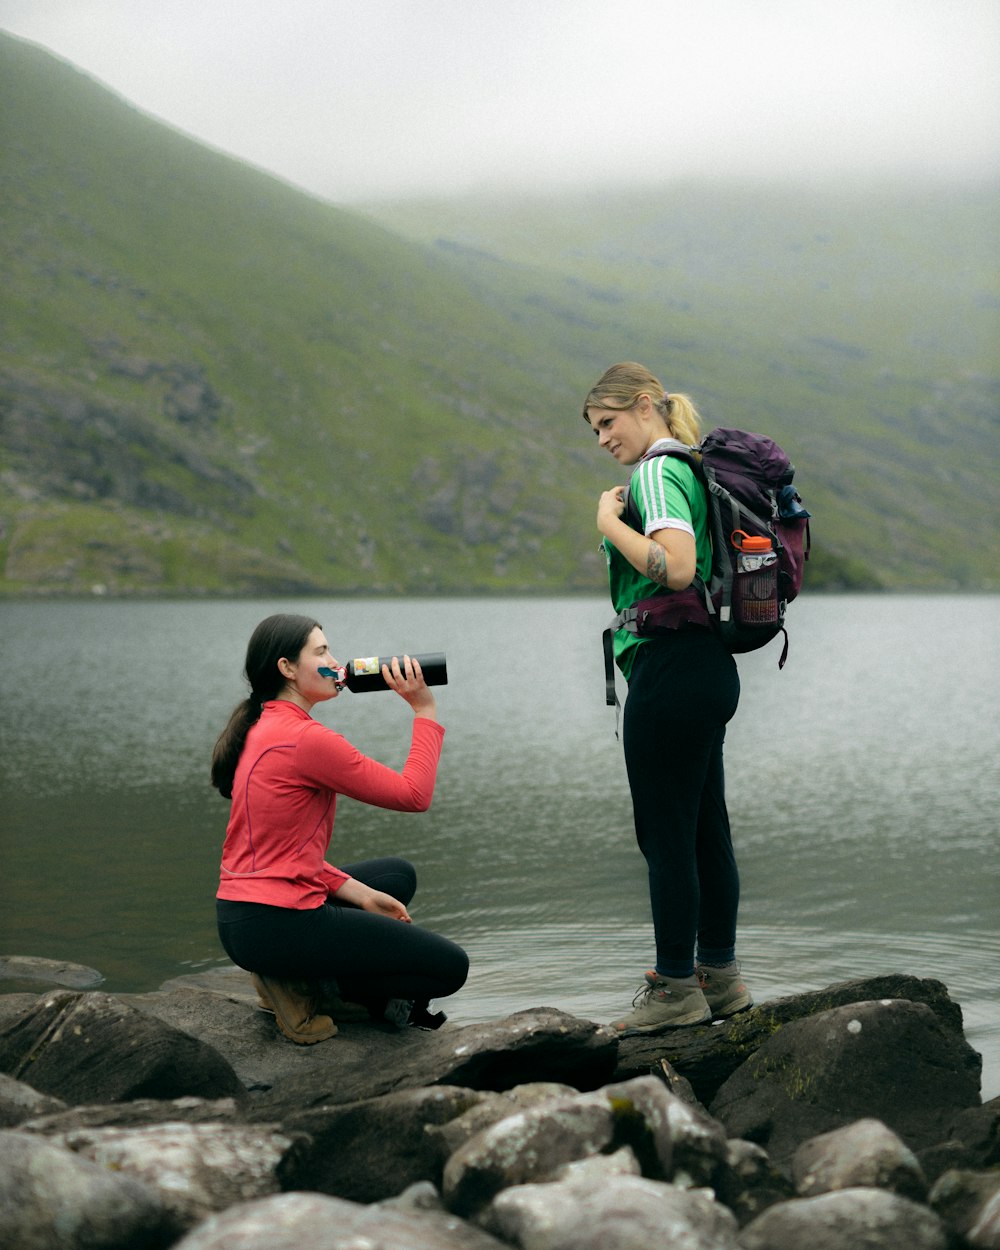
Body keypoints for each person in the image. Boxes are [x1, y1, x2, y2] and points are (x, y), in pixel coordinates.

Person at [583, 361, 752, 1036]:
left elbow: (675, 566)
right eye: (595, 430)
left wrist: (606, 520)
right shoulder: (689, 467)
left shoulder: (655, 470)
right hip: (705, 670)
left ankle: (676, 987)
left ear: (646, 406)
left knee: (666, 836)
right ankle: (722, 978)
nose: (601, 440)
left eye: (607, 422)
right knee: (706, 828)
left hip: (670, 671)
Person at [210, 613, 469, 1044]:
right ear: (287, 668)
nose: (336, 660)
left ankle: (289, 973)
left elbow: (283, 854)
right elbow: (413, 795)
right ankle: (314, 989)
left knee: (395, 876)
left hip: (243, 919)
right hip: (277, 924)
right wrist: (424, 710)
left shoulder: (262, 725)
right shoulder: (306, 740)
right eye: (321, 652)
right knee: (448, 968)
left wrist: (360, 893)